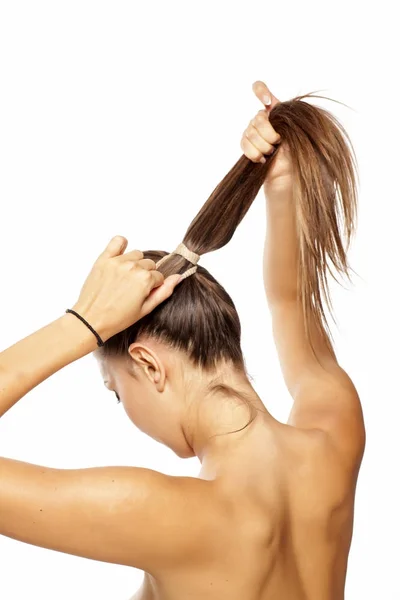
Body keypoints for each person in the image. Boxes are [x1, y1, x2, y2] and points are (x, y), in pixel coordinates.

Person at [0, 80, 365, 600]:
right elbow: (291, 302)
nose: (123, 406)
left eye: (116, 390)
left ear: (148, 365)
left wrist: (82, 324)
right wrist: (280, 186)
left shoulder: (158, 512)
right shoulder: (334, 439)